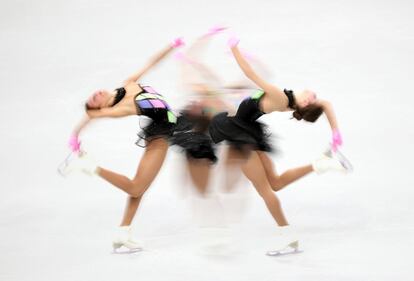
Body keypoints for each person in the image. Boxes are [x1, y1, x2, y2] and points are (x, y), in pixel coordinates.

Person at [208, 36, 350, 254]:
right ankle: (320, 164)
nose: (314, 94)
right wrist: (336, 132)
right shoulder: (290, 101)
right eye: (314, 96)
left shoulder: (279, 96)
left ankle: (288, 237)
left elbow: (250, 74)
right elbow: (327, 104)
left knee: (265, 190)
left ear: (304, 103)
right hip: (244, 130)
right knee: (274, 183)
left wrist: (234, 48)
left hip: (239, 135)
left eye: (312, 97)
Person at [62, 37, 184, 252]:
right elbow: (92, 116)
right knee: (137, 187)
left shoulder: (127, 85)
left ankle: (123, 233)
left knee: (139, 188)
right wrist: (76, 133)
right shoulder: (119, 109)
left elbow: (151, 62)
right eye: (95, 99)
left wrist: (170, 46)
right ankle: (90, 167)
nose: (96, 94)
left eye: (94, 94)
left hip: (160, 132)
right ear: (101, 106)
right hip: (160, 136)